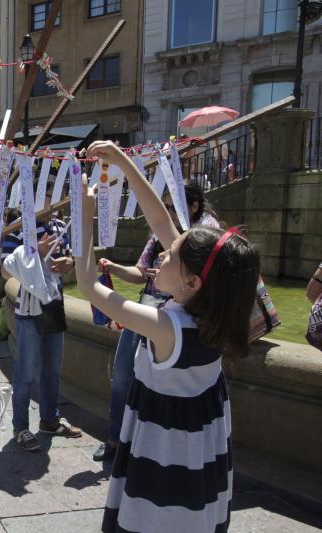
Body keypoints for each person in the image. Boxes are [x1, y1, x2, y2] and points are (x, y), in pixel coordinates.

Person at [78, 140, 259, 533]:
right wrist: (125, 163)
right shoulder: (212, 316)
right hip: (198, 459)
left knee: (154, 519)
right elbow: (161, 222)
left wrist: (85, 218)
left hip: (161, 458)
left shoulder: (167, 327)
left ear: (192, 281)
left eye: (170, 253)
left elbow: (89, 286)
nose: (161, 251)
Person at [92, 181, 220, 462]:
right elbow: (140, 272)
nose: (167, 213)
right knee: (122, 375)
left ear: (194, 206)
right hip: (149, 310)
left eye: (172, 206)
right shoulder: (160, 234)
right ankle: (116, 438)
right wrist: (112, 267)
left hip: (179, 321)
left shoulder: (205, 232)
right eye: (165, 207)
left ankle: (141, 445)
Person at [1, 209, 81, 451]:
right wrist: (34, 253)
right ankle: (21, 427)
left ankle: (49, 419)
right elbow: (3, 269)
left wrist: (69, 263)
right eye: (49, 194)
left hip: (54, 306)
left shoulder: (59, 226)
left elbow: (67, 259)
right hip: (28, 313)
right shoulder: (18, 227)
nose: (55, 202)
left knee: (52, 370)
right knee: (25, 373)